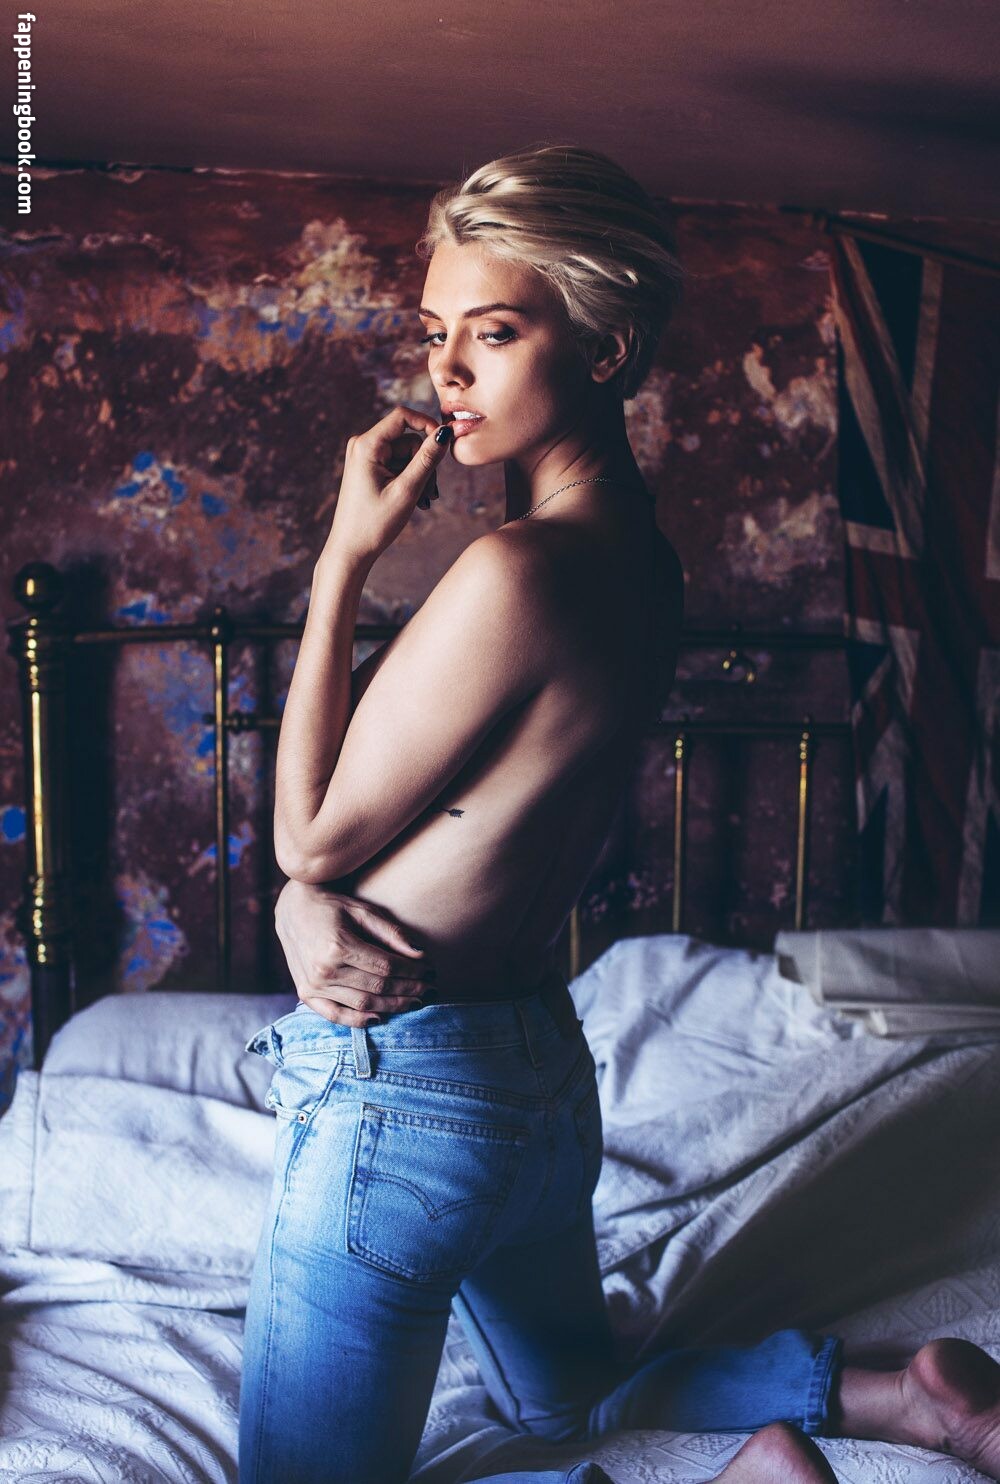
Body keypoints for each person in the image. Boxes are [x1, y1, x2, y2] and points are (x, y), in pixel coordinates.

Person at [238, 143, 1000, 1484]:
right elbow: (446, 801)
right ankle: (896, 1395)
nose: (447, 373)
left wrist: (342, 561)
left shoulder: (512, 572)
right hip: (533, 1075)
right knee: (569, 1399)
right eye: (433, 334)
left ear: (604, 347)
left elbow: (311, 838)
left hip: (406, 1094)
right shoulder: (643, 560)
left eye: (495, 333)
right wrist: (316, 895)